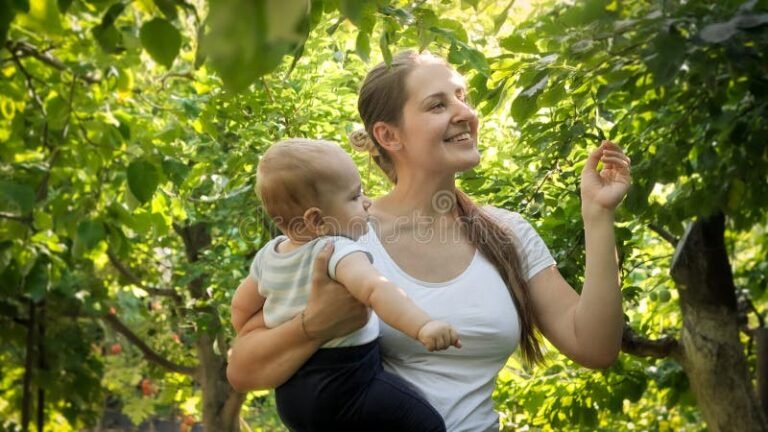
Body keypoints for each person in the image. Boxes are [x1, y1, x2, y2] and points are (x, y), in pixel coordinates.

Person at [227, 50, 631, 432]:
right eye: (438, 105)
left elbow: (593, 346)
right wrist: (313, 325)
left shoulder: (506, 232)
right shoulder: (343, 235)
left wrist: (597, 216)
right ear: (389, 135)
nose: (466, 113)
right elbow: (242, 369)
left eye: (462, 98)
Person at [230, 138, 460, 431]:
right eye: (354, 197)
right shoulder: (336, 249)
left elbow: (241, 307)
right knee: (426, 424)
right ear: (316, 220)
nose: (367, 202)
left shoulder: (270, 254)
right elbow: (376, 289)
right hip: (347, 382)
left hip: (292, 394)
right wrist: (422, 326)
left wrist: (267, 324)